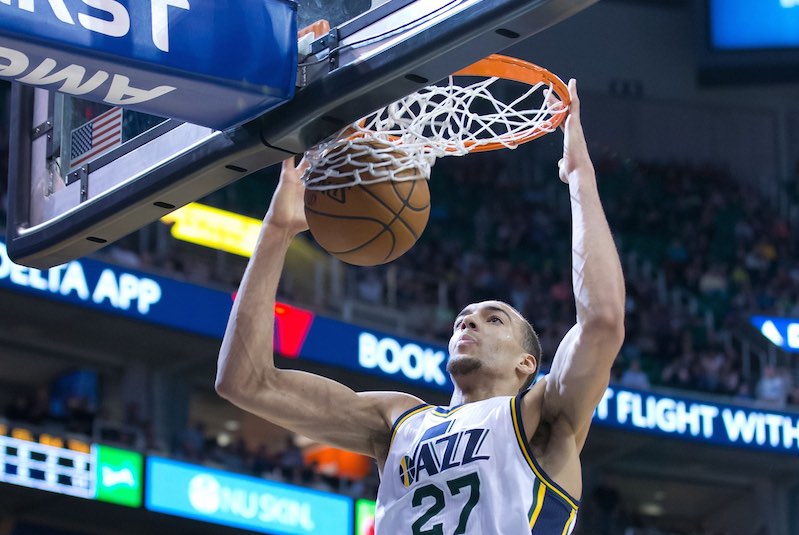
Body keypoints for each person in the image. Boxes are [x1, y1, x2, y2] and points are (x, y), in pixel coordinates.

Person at [216, 80, 625, 534]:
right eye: (463, 318)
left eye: (494, 318)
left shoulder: (542, 415)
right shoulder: (398, 420)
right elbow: (245, 382)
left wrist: (580, 176)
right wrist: (276, 230)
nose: (469, 321)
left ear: (527, 363)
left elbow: (602, 322)